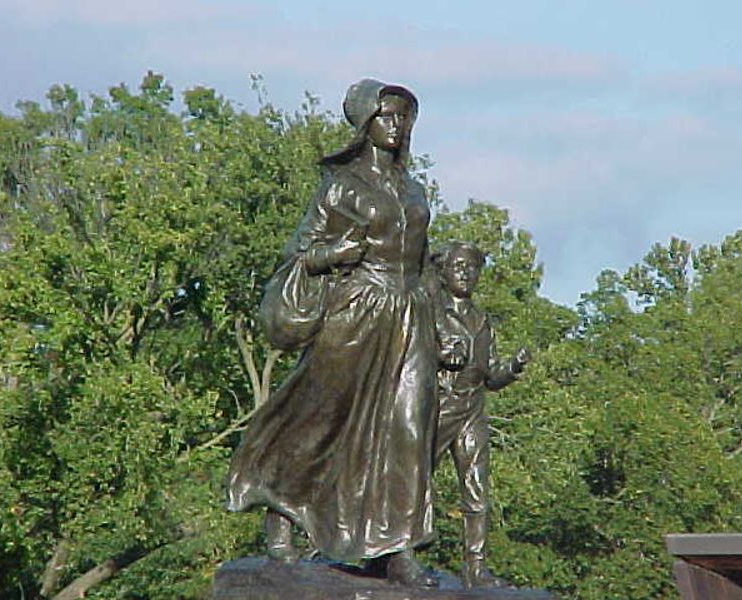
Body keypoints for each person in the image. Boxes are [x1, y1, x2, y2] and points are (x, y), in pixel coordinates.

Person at [226, 79, 439, 587]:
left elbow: (424, 257)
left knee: (409, 427)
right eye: (387, 116)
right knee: (322, 421)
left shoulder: (413, 188)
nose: (397, 125)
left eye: (405, 116)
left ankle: (397, 547)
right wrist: (333, 255)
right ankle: (279, 509)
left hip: (410, 313)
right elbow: (300, 252)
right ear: (365, 123)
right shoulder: (340, 186)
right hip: (357, 311)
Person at [432, 241, 529, 588]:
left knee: (476, 489)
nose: (466, 273)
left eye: (472, 268)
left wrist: (513, 367)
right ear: (442, 272)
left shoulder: (481, 319)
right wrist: (438, 353)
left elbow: (490, 375)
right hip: (437, 408)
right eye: (458, 266)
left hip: (472, 410)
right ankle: (392, 555)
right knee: (414, 484)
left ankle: (475, 566)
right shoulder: (430, 310)